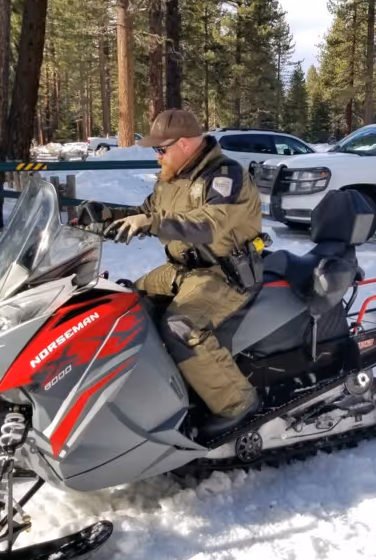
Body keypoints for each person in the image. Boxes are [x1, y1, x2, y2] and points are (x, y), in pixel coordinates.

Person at [75, 108, 263, 436]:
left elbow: (209, 224)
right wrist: (106, 213)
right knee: (123, 304)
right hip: (181, 270)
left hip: (223, 274)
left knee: (181, 328)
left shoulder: (225, 175)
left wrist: (151, 223)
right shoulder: (172, 178)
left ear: (186, 144)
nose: (157, 156)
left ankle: (238, 403)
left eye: (161, 149)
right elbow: (146, 211)